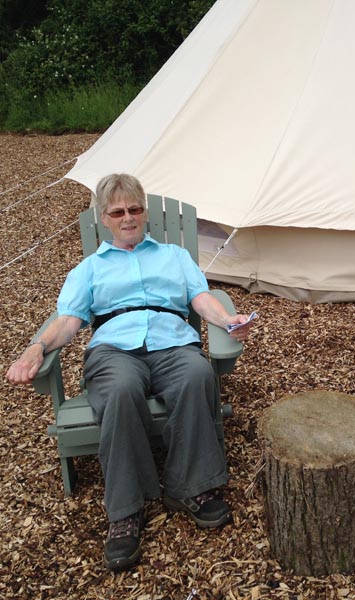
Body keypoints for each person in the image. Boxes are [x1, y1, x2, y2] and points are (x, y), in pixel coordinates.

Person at [6, 173, 255, 571]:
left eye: (134, 209)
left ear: (145, 212)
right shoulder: (89, 269)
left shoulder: (174, 257)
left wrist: (227, 320)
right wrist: (37, 347)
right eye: (118, 211)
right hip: (113, 349)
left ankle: (190, 489)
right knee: (120, 392)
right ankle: (126, 510)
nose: (128, 217)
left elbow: (201, 297)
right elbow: (69, 320)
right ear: (104, 218)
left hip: (172, 341)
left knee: (197, 376)